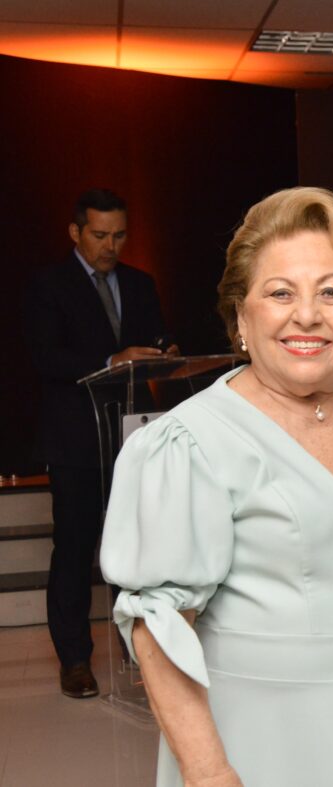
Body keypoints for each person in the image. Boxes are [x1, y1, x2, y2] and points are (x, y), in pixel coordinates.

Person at [100, 187, 333, 786]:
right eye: (280, 293)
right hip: (262, 737)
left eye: (332, 292)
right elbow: (159, 626)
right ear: (241, 316)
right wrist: (209, 772)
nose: (306, 315)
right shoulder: (189, 442)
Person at [23, 188, 174, 699]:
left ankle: (142, 651)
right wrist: (112, 360)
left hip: (133, 435)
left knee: (138, 547)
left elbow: (155, 339)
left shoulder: (140, 282)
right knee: (74, 549)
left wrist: (163, 352)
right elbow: (45, 357)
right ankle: (75, 661)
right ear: (75, 232)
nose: (111, 246)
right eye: (100, 235)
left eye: (120, 235)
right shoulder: (49, 285)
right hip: (74, 441)